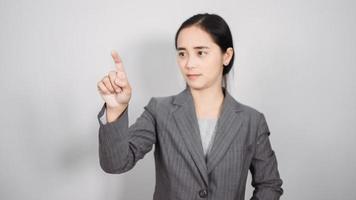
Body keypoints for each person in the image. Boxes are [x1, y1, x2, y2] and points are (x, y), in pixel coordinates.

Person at [96, 13, 283, 200]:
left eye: (200, 52)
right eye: (182, 53)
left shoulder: (252, 121)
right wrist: (115, 109)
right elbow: (115, 164)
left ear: (226, 56)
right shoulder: (159, 111)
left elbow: (269, 184)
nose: (189, 63)